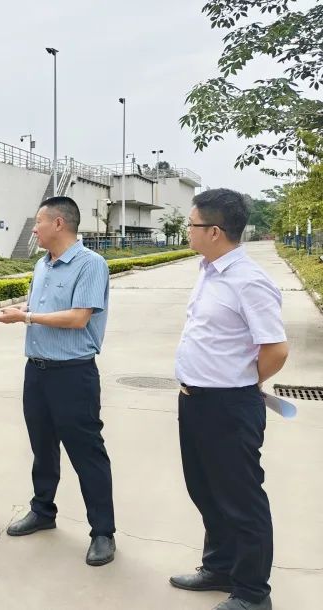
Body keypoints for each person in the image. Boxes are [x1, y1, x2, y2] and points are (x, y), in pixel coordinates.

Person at [169, 189, 287, 610]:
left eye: (192, 224)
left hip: (229, 407)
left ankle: (253, 593)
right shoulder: (209, 270)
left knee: (241, 500)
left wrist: (240, 382)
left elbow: (276, 350)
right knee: (205, 491)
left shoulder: (249, 280)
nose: (187, 230)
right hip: (195, 401)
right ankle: (219, 567)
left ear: (215, 231)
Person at [0, 196, 116, 567]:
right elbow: (40, 308)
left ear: (59, 223)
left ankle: (103, 532)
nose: (34, 229)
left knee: (87, 453)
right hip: (37, 372)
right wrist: (21, 311)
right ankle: (43, 510)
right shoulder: (42, 264)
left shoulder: (90, 264)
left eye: (39, 222)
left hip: (73, 374)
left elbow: (78, 318)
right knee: (42, 447)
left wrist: (26, 319)